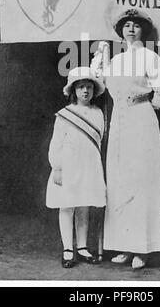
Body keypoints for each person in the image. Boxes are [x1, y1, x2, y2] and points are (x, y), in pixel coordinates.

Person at [91, 8, 160, 270]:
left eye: (136, 25)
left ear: (143, 30)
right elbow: (98, 82)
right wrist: (100, 56)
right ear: (121, 30)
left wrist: (145, 105)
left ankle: (143, 249)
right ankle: (125, 246)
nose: (131, 28)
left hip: (141, 119)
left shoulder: (151, 57)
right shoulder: (115, 60)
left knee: (141, 180)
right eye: (127, 24)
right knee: (120, 180)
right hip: (120, 121)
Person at [46, 67, 106, 268]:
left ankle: (82, 247)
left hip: (89, 165)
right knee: (67, 205)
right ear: (74, 90)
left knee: (84, 205)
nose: (86, 91)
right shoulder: (65, 114)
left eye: (89, 87)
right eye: (81, 87)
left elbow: (99, 141)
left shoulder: (98, 113)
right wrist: (58, 167)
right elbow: (57, 142)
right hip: (69, 165)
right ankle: (67, 248)